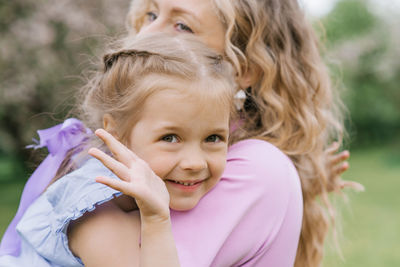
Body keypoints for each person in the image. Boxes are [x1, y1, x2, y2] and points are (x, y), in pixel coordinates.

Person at [1, 0, 360, 266]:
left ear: (245, 66)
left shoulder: (258, 165)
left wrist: (294, 181)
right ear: (115, 131)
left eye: (182, 26)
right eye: (151, 14)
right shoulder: (96, 199)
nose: (144, 35)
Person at [0, 33, 238, 266]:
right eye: (171, 137)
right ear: (115, 134)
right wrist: (156, 222)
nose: (195, 163)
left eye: (213, 137)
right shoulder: (99, 216)